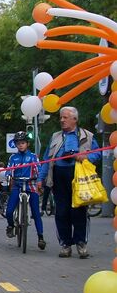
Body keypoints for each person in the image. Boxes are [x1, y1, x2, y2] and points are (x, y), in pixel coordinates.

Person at [39, 106, 99, 259]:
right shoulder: (55, 136)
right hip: (59, 176)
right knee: (62, 211)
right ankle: (65, 244)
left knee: (79, 211)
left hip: (79, 176)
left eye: (65, 117)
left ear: (75, 119)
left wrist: (84, 157)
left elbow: (98, 154)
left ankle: (81, 243)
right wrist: (41, 179)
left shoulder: (88, 135)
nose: (62, 120)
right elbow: (47, 159)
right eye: (61, 117)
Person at [4, 131, 46, 250]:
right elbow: (9, 170)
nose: (21, 145)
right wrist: (7, 176)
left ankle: (41, 237)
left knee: (36, 212)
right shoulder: (13, 157)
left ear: (27, 143)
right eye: (18, 143)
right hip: (17, 185)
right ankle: (11, 225)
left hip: (31, 185)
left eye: (23, 143)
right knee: (9, 211)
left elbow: (39, 169)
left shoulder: (33, 156)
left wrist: (39, 180)